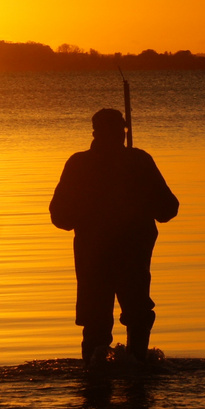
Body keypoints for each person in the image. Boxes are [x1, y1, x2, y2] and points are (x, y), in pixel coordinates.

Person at [49, 107, 179, 370]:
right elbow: (168, 209)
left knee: (101, 319)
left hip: (96, 257)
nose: (119, 135)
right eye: (118, 131)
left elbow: (60, 217)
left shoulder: (80, 164)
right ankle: (136, 368)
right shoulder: (138, 161)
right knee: (135, 315)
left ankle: (96, 375)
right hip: (126, 255)